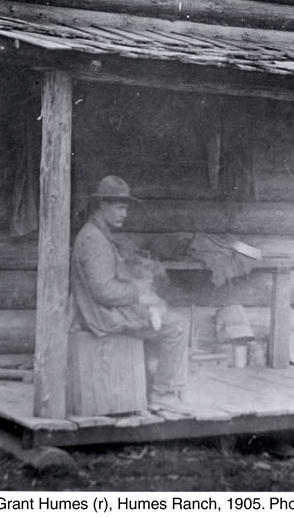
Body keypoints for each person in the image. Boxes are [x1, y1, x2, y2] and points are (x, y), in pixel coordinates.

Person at [70, 175, 188, 412]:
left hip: (105, 311)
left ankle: (153, 388)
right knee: (177, 326)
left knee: (162, 315)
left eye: (126, 208)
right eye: (120, 207)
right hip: (102, 317)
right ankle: (162, 394)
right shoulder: (94, 239)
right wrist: (138, 292)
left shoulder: (97, 233)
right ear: (102, 205)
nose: (125, 213)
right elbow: (103, 290)